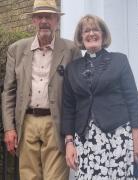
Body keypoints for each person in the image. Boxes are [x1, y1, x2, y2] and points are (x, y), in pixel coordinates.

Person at [2, 0, 81, 179]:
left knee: (56, 177)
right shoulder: (16, 49)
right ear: (34, 21)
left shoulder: (71, 50)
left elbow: (77, 93)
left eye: (49, 17)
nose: (44, 20)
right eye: (39, 17)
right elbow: (9, 91)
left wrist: (73, 132)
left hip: (57, 123)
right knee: (28, 176)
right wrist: (9, 128)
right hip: (26, 122)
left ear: (56, 21)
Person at [61, 14, 138, 180]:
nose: (91, 33)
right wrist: (69, 142)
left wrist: (137, 137)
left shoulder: (119, 60)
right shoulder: (72, 69)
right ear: (81, 37)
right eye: (86, 31)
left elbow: (132, 99)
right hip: (87, 139)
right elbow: (68, 107)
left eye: (95, 30)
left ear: (103, 35)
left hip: (118, 136)